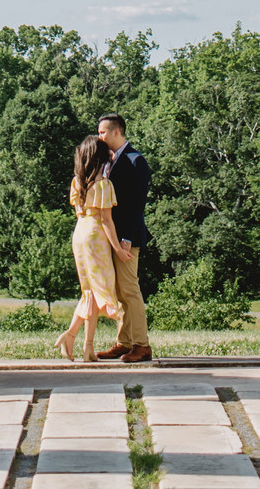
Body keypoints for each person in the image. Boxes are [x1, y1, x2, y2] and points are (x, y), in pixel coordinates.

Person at [54, 134, 132, 362]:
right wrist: (118, 249)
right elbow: (106, 220)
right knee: (100, 291)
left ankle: (80, 342)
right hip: (95, 236)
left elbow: (81, 212)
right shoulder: (104, 186)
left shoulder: (77, 182)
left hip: (79, 233)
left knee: (89, 292)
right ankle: (77, 339)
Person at [95, 113, 153, 362]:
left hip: (127, 238)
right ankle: (124, 342)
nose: (100, 137)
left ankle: (142, 345)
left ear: (117, 131)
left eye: (103, 132)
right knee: (118, 291)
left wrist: (126, 238)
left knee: (130, 289)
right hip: (110, 236)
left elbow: (136, 205)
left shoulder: (135, 160)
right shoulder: (108, 161)